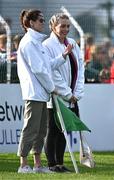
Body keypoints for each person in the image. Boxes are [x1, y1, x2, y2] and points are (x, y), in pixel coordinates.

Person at [17, 9, 73, 173]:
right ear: (31, 23)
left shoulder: (38, 43)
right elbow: (39, 70)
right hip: (33, 93)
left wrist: (63, 56)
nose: (43, 22)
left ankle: (37, 164)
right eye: (41, 20)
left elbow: (48, 65)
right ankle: (23, 164)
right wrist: (52, 87)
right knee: (31, 129)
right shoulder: (28, 42)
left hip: (42, 94)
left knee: (41, 131)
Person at [42, 13, 85, 172]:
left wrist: (77, 92)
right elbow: (52, 73)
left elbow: (80, 67)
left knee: (64, 130)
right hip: (55, 96)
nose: (66, 29)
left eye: (68, 26)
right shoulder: (47, 45)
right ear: (53, 27)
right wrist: (67, 93)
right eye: (62, 26)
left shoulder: (73, 42)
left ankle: (60, 163)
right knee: (53, 130)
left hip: (72, 96)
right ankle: (52, 164)